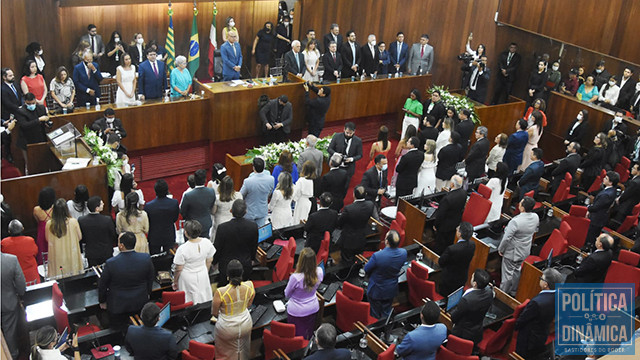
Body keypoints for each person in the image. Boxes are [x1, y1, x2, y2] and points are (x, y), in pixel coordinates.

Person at [99, 232, 155, 329]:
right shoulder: (145, 258)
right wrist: (147, 293)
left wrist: (102, 301)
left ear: (121, 245)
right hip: (139, 301)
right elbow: (151, 278)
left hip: (118, 305)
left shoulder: (111, 263)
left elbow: (103, 284)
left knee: (118, 330)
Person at [515, 268, 563, 360]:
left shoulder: (536, 302)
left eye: (542, 278)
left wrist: (516, 326)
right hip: (542, 333)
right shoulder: (560, 295)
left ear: (546, 284)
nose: (540, 280)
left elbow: (522, 320)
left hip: (528, 338)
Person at [212, 260, 255, 359]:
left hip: (227, 328)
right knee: (243, 350)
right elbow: (249, 305)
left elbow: (214, 313)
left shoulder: (220, 292)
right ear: (242, 272)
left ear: (228, 274)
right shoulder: (250, 285)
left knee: (224, 353)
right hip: (245, 324)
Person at [498, 197, 539, 296]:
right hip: (524, 250)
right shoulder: (535, 217)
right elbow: (535, 230)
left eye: (520, 203)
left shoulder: (516, 221)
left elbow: (506, 238)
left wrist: (501, 249)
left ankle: (502, 294)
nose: (518, 205)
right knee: (516, 270)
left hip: (512, 252)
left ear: (523, 208)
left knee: (507, 274)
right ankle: (513, 291)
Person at [214, 200, 258, 285]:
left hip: (226, 267)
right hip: (245, 265)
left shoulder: (222, 228)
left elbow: (217, 248)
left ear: (231, 211)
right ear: (245, 212)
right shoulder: (253, 226)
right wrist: (252, 259)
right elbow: (254, 246)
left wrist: (214, 262)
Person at [365, 230, 407, 318]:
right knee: (386, 312)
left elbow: (366, 269)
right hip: (391, 288)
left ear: (386, 241)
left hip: (376, 290)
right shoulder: (403, 253)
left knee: (375, 314)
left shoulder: (378, 256)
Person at [173, 220, 215, 304]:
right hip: (202, 273)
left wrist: (175, 281)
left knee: (189, 299)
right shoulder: (207, 242)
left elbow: (178, 269)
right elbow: (209, 260)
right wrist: (205, 271)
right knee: (204, 297)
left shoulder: (182, 249)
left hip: (187, 277)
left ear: (186, 233)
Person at [285, 248, 323, 339]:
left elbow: (287, 294)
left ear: (301, 261)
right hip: (313, 308)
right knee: (308, 333)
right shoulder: (320, 271)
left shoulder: (295, 277)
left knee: (296, 336)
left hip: (296, 312)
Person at [449, 269, 494, 347]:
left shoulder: (467, 300)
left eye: (472, 277)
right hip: (477, 331)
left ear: (475, 283)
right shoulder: (490, 292)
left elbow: (454, 317)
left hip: (462, 334)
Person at [46, 199, 83, 278]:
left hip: (57, 256)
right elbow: (79, 237)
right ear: (66, 209)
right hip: (71, 255)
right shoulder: (73, 221)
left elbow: (47, 239)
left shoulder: (49, 224)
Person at [338, 186, 375, 263]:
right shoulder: (370, 205)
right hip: (361, 238)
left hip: (348, 241)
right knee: (358, 260)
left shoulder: (349, 209)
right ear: (366, 194)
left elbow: (340, 223)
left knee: (346, 263)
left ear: (354, 195)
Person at [438, 222, 476, 297]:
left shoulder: (452, 249)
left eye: (458, 229)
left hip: (449, 280)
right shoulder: (472, 245)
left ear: (460, 234)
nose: (456, 229)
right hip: (462, 277)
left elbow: (441, 262)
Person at [1, 251, 26, 359]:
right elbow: (21, 284)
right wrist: (20, 294)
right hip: (9, 303)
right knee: (9, 332)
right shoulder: (11, 259)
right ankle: (12, 355)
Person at [433, 175, 467, 254]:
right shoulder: (463, 193)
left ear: (452, 185)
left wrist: (436, 225)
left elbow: (440, 214)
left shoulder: (447, 198)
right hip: (455, 223)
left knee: (440, 245)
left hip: (444, 226)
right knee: (448, 244)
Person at [585, 171, 618, 250]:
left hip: (597, 219)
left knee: (591, 237)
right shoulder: (613, 190)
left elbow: (596, 207)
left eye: (606, 178)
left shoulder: (606, 195)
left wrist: (588, 207)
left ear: (610, 183)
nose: (603, 179)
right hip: (601, 217)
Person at [78, 196, 116, 266]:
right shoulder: (107, 220)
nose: (103, 204)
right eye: (101, 203)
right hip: (106, 252)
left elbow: (82, 238)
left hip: (91, 253)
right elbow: (113, 235)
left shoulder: (81, 220)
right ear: (97, 208)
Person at [145, 179, 179, 254]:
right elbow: (175, 218)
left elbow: (148, 221)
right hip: (169, 235)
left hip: (154, 237)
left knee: (154, 259)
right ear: (167, 190)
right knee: (169, 257)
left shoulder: (148, 206)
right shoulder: (174, 203)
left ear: (155, 191)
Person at [181, 169, 216, 238]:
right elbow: (211, 206)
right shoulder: (211, 191)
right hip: (206, 225)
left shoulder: (188, 195)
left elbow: (183, 212)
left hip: (191, 228)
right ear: (205, 180)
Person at [2, 220, 38, 285]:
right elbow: (35, 253)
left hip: (14, 281)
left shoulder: (4, 243)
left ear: (9, 231)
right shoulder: (30, 240)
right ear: (23, 229)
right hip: (32, 279)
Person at [240, 158, 274, 226]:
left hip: (249, 213)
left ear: (253, 168)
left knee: (249, 234)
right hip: (262, 212)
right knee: (260, 234)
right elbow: (269, 193)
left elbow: (241, 195)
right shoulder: (271, 179)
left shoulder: (248, 181)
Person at [33, 187, 55, 265]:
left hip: (42, 232)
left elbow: (37, 220)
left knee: (43, 251)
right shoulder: (55, 208)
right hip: (53, 230)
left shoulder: (36, 209)